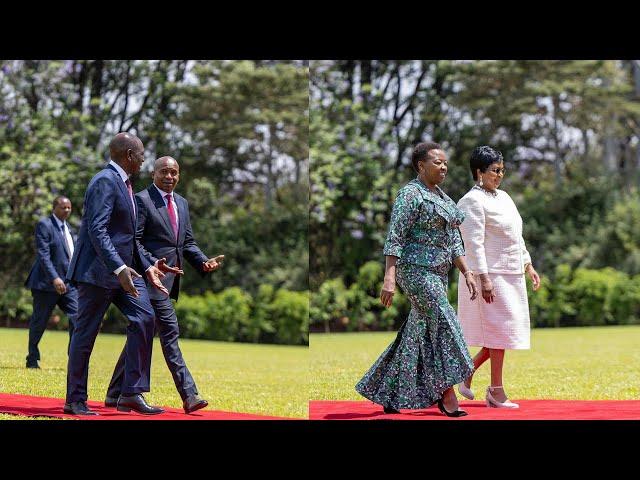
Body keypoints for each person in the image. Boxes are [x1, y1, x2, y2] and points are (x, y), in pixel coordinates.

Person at [355, 141, 478, 417]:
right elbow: (395, 237)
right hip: (415, 272)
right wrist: (389, 278)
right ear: (421, 166)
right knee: (444, 322)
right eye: (437, 162)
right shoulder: (409, 195)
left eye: (445, 162)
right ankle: (446, 394)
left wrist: (467, 272)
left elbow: (453, 241)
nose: (444, 166)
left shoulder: (444, 199)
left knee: (417, 332)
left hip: (438, 273)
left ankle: (388, 391)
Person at [105, 156, 224, 414]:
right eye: (164, 172)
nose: (169, 177)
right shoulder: (142, 200)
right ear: (153, 173)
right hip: (148, 280)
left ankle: (115, 393)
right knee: (170, 333)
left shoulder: (181, 203)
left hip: (169, 283)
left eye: (174, 172)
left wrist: (203, 263)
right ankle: (189, 395)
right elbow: (134, 241)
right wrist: (151, 266)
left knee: (142, 335)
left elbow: (187, 242)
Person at [64, 132, 169, 416]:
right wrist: (119, 268)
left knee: (146, 318)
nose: (145, 158)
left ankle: (128, 393)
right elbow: (97, 230)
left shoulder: (127, 185)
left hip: (123, 273)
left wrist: (147, 267)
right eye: (142, 153)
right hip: (96, 273)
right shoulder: (104, 181)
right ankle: (75, 400)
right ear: (129, 155)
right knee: (84, 336)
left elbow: (127, 237)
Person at [456, 145, 541, 409]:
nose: (499, 175)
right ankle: (496, 391)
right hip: (489, 275)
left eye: (502, 170)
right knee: (498, 334)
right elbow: (473, 244)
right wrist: (484, 278)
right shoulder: (471, 201)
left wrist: (527, 264)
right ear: (479, 172)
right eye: (495, 170)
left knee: (502, 333)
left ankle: (466, 372)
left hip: (510, 273)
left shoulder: (504, 197)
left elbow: (516, 235)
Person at [24, 196, 78, 369]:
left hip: (68, 284)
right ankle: (32, 358)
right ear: (54, 207)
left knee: (78, 318)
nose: (67, 210)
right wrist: (55, 278)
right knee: (39, 322)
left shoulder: (69, 228)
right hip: (46, 284)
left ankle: (75, 359)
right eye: (63, 207)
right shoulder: (45, 225)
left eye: (69, 208)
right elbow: (43, 255)